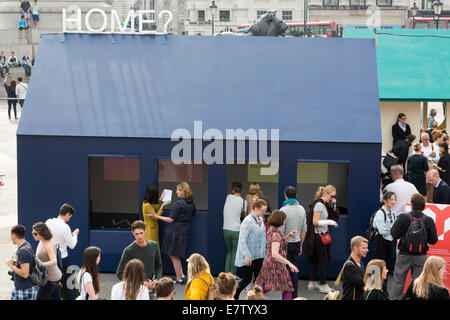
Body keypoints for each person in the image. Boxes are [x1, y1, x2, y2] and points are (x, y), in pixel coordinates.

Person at [390, 193, 438, 300]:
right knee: (419, 282)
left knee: (399, 280)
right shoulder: (428, 220)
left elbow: (394, 234)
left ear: (411, 205)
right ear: (424, 206)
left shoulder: (403, 217)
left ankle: (395, 298)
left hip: (404, 255)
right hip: (421, 256)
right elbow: (433, 240)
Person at [150, 182, 196, 284]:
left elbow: (170, 219)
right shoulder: (191, 203)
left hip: (174, 232)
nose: (176, 191)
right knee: (175, 255)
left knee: (172, 255)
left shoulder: (178, 204)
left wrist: (157, 216)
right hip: (183, 231)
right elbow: (194, 213)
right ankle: (181, 276)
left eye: (178, 190)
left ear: (183, 191)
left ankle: (179, 277)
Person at [255, 210, 298, 300]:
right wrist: (289, 263)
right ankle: (254, 297)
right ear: (280, 221)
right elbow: (275, 254)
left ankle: (254, 297)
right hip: (275, 264)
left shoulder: (272, 230)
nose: (285, 221)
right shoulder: (276, 234)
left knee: (266, 286)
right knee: (287, 287)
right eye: (284, 220)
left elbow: (279, 244)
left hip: (269, 263)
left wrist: (288, 236)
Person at [305, 185, 339, 294]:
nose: (333, 198)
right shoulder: (319, 205)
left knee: (316, 259)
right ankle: (323, 285)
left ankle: (312, 282)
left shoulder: (323, 204)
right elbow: (315, 222)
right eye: (332, 196)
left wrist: (334, 204)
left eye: (334, 197)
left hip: (319, 236)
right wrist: (330, 222)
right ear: (326, 194)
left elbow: (333, 215)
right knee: (322, 260)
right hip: (318, 236)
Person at [234, 199, 268, 300]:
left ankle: (256, 298)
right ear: (256, 208)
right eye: (262, 210)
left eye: (265, 210)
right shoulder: (247, 220)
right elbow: (242, 239)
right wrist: (247, 255)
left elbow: (262, 237)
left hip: (259, 255)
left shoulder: (260, 219)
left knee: (258, 279)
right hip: (248, 256)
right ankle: (234, 294)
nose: (264, 212)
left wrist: (264, 252)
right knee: (247, 279)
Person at [45, 203, 79, 300]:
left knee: (52, 285)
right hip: (62, 260)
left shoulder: (48, 222)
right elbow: (72, 245)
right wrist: (75, 235)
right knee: (68, 285)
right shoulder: (65, 227)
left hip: (50, 258)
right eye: (70, 217)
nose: (69, 219)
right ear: (68, 214)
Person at [116, 220, 162, 289]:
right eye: (136, 234)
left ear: (145, 230)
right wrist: (139, 282)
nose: (139, 236)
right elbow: (120, 273)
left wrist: (157, 279)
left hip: (152, 286)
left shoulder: (154, 246)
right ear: (133, 233)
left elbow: (159, 266)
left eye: (141, 233)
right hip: (135, 288)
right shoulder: (128, 250)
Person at [279, 186, 307, 298]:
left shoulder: (282, 210)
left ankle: (286, 296)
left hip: (286, 243)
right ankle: (295, 296)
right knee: (294, 269)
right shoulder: (302, 209)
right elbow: (304, 229)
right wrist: (301, 245)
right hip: (296, 243)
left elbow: (280, 231)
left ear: (285, 195)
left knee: (285, 271)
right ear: (296, 195)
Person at [7, 225, 38, 300]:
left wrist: (11, 266)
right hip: (20, 288)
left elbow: (25, 274)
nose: (11, 238)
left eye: (11, 235)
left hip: (24, 290)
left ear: (14, 235)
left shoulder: (23, 252)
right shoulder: (26, 245)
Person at [33, 222, 62, 300]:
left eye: (35, 234)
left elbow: (54, 261)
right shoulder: (43, 241)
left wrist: (41, 264)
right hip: (53, 277)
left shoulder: (48, 245)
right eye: (33, 233)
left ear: (41, 233)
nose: (33, 235)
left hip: (50, 278)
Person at [223, 181, 247, 275]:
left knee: (229, 252)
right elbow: (244, 216)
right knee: (235, 253)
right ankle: (232, 275)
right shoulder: (243, 202)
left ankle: (225, 274)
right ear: (242, 191)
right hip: (237, 230)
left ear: (232, 190)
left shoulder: (228, 197)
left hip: (226, 229)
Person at [373, 192, 397, 276]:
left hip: (389, 241)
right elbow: (382, 231)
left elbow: (395, 229)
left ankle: (384, 288)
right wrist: (392, 230)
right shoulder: (380, 213)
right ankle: (377, 288)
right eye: (391, 200)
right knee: (379, 266)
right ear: (385, 201)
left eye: (394, 199)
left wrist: (391, 230)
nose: (393, 202)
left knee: (387, 267)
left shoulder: (393, 214)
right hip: (380, 241)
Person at [341, 236, 369, 300]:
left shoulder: (360, 263)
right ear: (355, 248)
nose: (367, 250)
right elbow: (362, 284)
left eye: (367, 248)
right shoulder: (350, 266)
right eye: (364, 248)